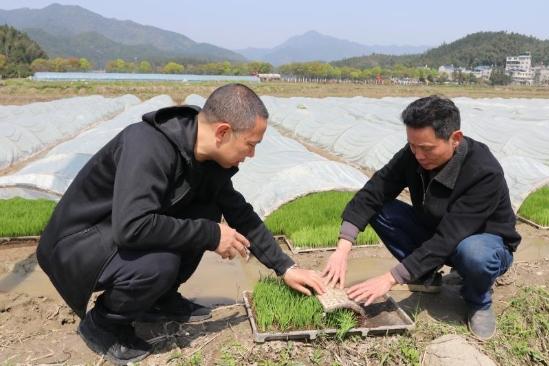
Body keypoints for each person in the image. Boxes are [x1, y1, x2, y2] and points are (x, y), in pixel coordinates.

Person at [37, 83, 325, 365]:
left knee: (205, 211)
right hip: (77, 244)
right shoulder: (148, 146)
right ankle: (102, 324)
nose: (251, 155)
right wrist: (211, 234)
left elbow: (241, 213)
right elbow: (131, 227)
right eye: (250, 144)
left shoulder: (209, 161)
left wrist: (286, 267)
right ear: (223, 132)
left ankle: (158, 300)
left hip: (114, 234)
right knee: (162, 261)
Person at [323, 95, 520, 341]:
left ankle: (478, 301)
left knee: (474, 254)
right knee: (382, 210)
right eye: (412, 146)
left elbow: (449, 238)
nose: (417, 155)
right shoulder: (414, 154)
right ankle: (425, 276)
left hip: (483, 242)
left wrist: (390, 278)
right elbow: (374, 191)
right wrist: (343, 246)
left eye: (426, 148)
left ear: (455, 139)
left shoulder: (483, 171)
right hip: (440, 231)